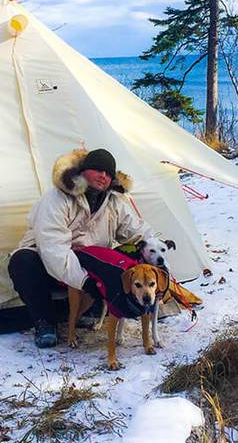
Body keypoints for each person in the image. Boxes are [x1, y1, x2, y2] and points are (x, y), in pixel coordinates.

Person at [8, 148, 158, 348]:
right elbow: (54, 250)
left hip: (88, 261)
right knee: (21, 261)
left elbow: (137, 229)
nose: (103, 176)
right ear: (82, 171)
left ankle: (100, 308)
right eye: (97, 170)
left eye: (108, 173)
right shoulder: (56, 199)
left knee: (133, 253)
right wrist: (86, 282)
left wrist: (156, 253)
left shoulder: (113, 201)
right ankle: (45, 322)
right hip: (48, 264)